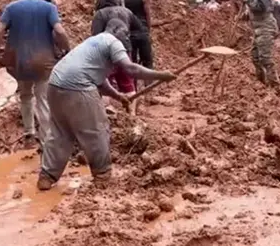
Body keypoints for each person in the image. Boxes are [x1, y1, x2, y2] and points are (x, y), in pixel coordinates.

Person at [37, 19, 176, 190]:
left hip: (54, 84)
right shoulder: (113, 42)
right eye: (126, 35)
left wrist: (118, 96)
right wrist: (161, 75)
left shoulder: (94, 41)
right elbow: (130, 69)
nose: (126, 40)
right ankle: (102, 175)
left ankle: (47, 176)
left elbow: (100, 81)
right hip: (78, 87)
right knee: (96, 129)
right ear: (119, 32)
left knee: (60, 133)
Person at [0, 0, 71, 149]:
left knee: (26, 96)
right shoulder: (49, 8)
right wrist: (67, 49)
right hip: (43, 61)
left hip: (18, 60)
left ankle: (29, 134)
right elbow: (59, 31)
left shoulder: (12, 7)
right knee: (43, 99)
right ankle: (46, 142)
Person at [91, 0, 145, 97]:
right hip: (124, 50)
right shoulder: (126, 11)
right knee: (127, 83)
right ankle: (131, 111)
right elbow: (139, 28)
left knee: (106, 84)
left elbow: (95, 37)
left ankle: (108, 110)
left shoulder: (100, 14)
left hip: (107, 53)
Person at [243, 0, 277, 85]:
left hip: (265, 26)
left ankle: (275, 86)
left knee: (265, 59)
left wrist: (248, 0)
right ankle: (261, 85)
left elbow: (262, 7)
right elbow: (256, 7)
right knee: (255, 57)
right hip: (258, 27)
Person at [120, 0, 154, 76]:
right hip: (143, 31)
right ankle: (149, 84)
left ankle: (134, 88)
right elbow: (147, 14)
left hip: (129, 33)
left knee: (132, 62)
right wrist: (148, 29)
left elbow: (121, 16)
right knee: (147, 60)